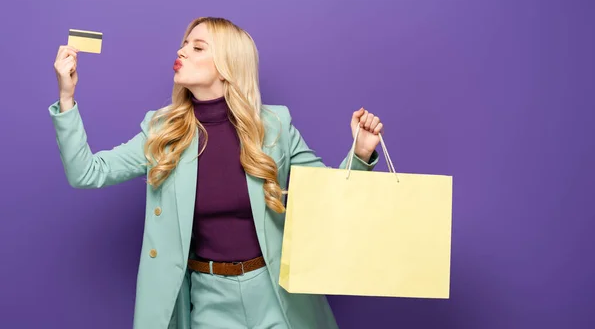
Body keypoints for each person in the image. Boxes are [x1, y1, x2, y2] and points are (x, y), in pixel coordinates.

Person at [49, 17, 384, 329]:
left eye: (197, 47)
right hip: (209, 298)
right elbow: (86, 172)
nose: (181, 51)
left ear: (227, 66)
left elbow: (330, 194)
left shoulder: (275, 126)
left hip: (277, 293)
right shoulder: (163, 132)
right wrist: (67, 97)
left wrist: (361, 152)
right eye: (184, 44)